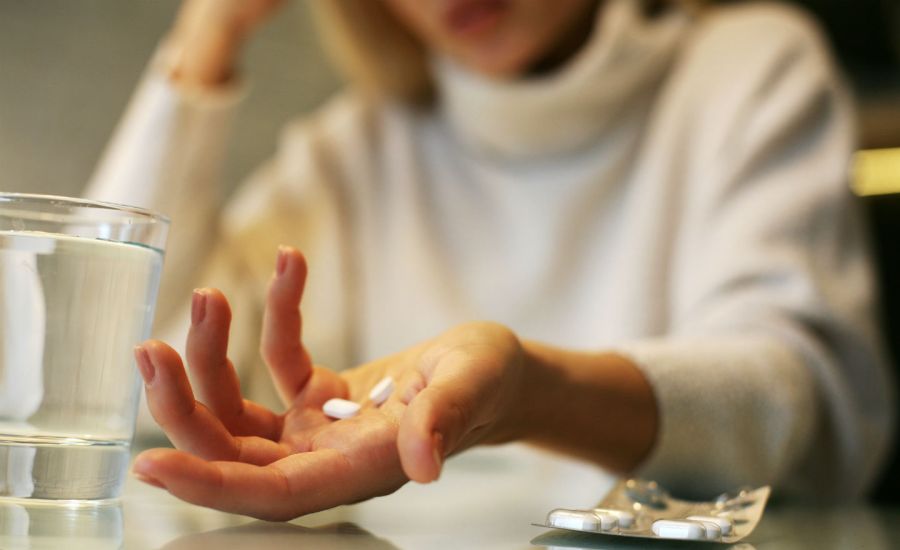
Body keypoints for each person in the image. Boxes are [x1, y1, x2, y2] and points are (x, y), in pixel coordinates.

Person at [86, 0, 894, 521]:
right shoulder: (356, 150)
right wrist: (205, 37)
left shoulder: (747, 70)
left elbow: (808, 404)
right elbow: (108, 371)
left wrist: (529, 392)